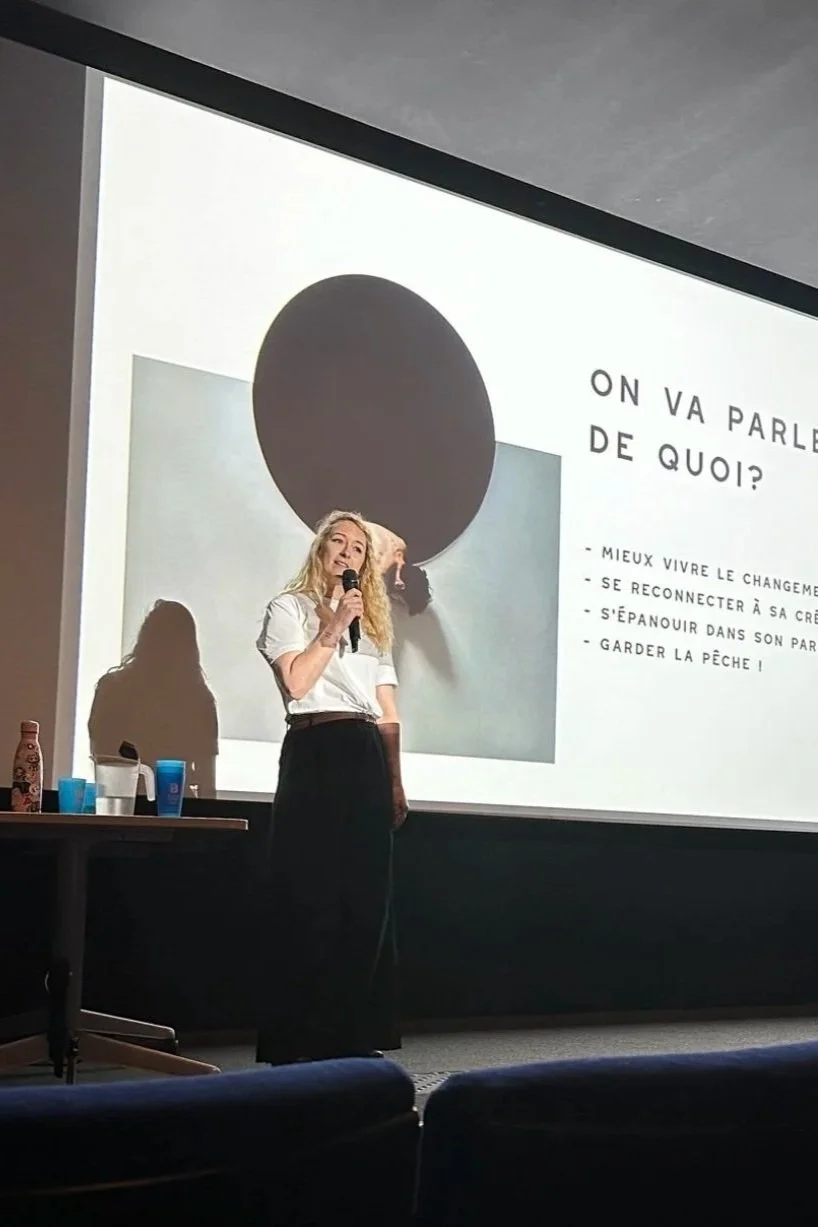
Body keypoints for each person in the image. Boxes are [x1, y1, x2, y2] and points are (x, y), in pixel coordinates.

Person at [255, 510, 408, 1064]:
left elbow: (387, 711)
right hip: (316, 749)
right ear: (319, 550)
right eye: (337, 542)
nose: (348, 553)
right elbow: (296, 682)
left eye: (359, 548)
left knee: (365, 898)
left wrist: (394, 780)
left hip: (365, 753)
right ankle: (301, 1038)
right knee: (309, 892)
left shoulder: (375, 628)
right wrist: (332, 625)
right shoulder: (288, 608)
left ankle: (354, 1034)